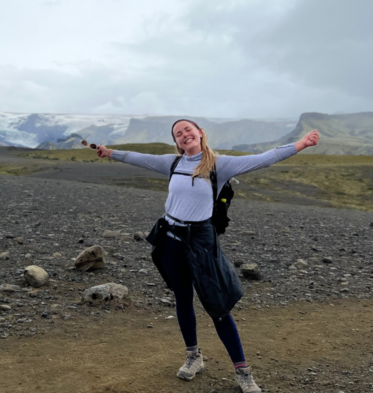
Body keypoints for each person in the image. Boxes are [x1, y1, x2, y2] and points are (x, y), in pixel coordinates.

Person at [96, 120, 320, 393]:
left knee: (218, 306)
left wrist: (302, 144)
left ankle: (243, 373)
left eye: (188, 130)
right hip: (170, 239)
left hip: (201, 242)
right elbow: (138, 158)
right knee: (182, 299)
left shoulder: (219, 165)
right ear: (177, 143)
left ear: (200, 133)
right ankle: (194, 357)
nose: (184, 135)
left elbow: (264, 159)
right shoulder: (173, 163)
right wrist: (110, 153)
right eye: (178, 134)